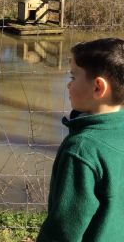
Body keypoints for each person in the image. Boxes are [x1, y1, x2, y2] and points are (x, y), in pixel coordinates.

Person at [37, 38, 124, 242]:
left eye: (73, 76)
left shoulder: (81, 149)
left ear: (98, 87)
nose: (68, 84)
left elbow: (64, 229)